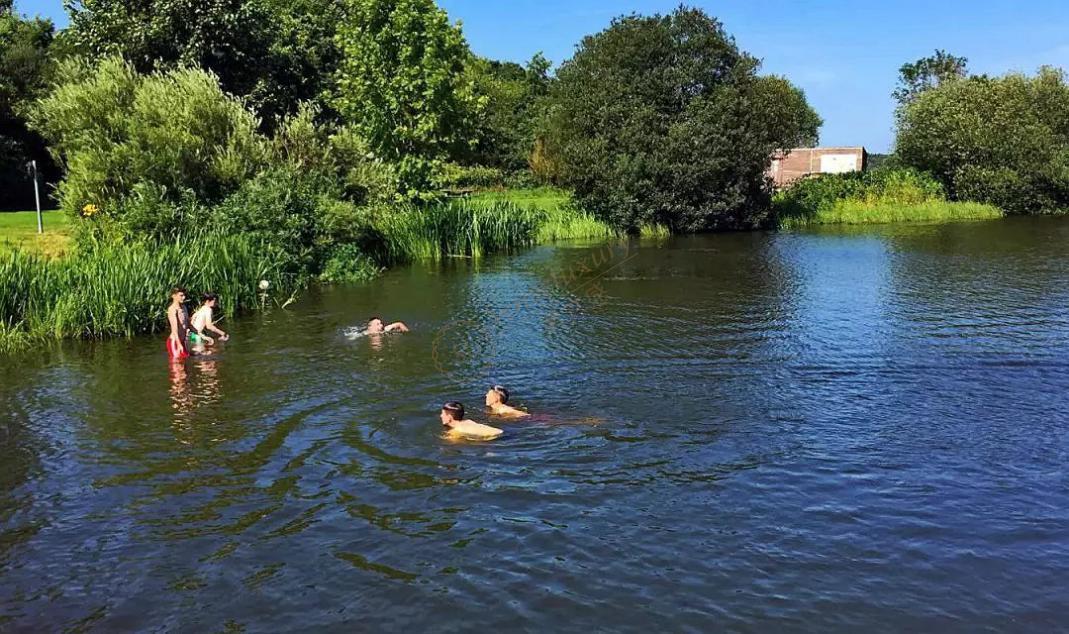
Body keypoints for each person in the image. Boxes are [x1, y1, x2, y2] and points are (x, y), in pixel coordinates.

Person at [166, 287, 190, 362]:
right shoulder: (172, 310)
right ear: (174, 296)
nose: (184, 297)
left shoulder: (184, 308)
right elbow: (174, 330)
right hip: (175, 341)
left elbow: (188, 324)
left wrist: (202, 335)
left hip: (182, 341)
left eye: (184, 295)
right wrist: (179, 344)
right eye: (181, 295)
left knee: (185, 363)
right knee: (177, 365)